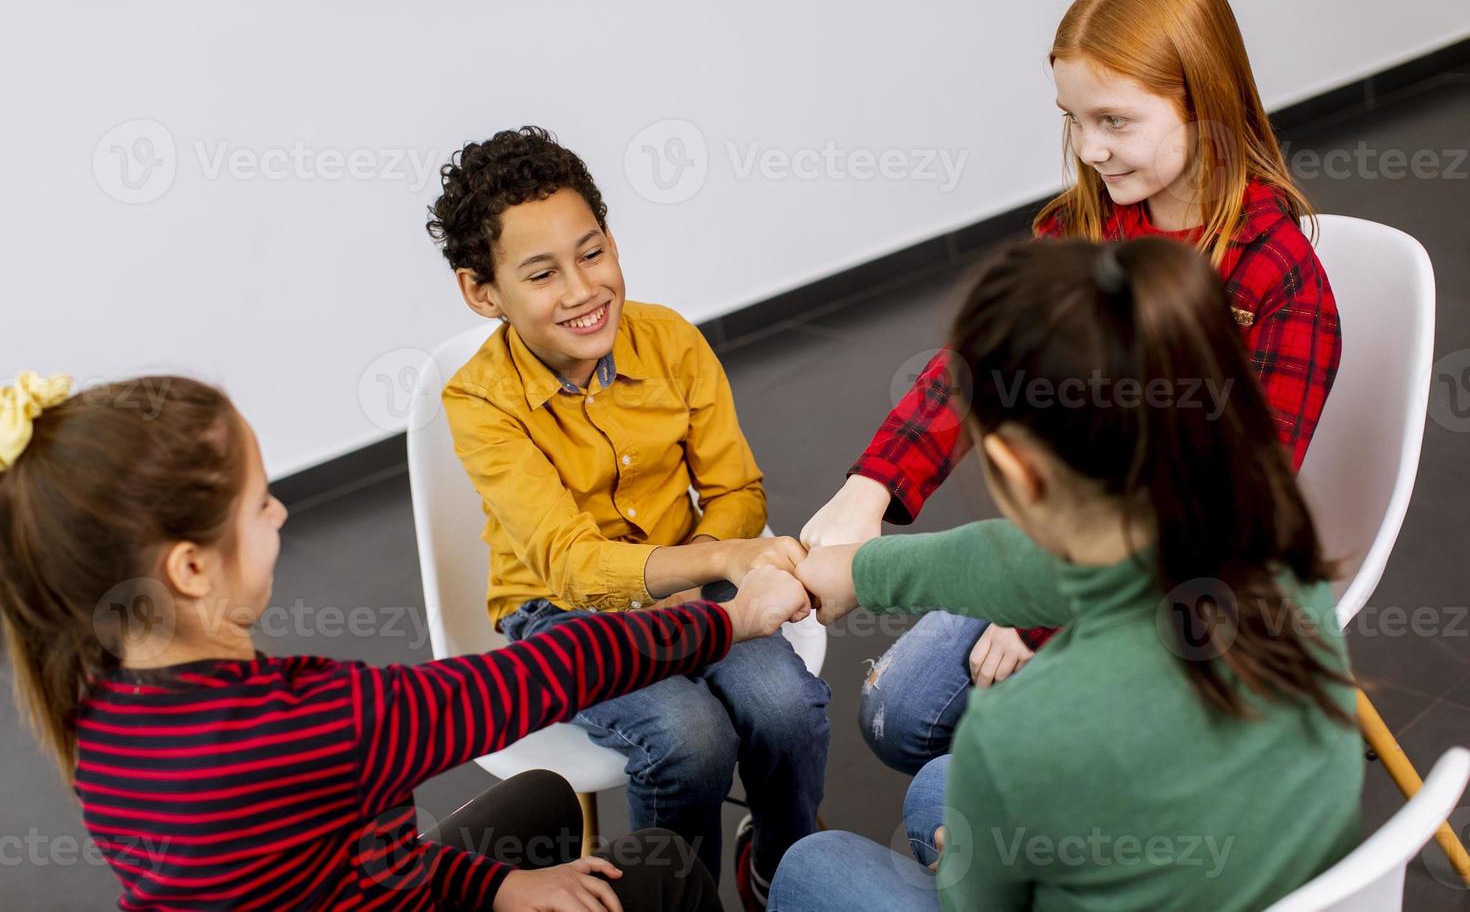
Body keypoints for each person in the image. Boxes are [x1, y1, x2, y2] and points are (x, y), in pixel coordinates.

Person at [801, 0, 1342, 777]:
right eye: (1072, 118)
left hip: (1178, 584)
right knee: (896, 713)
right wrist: (870, 484)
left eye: (1115, 121)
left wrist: (1037, 618)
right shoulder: (1083, 225)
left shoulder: (1280, 283)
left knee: (948, 780)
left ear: (1204, 103)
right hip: (1067, 547)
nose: (1088, 148)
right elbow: (973, 368)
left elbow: (1224, 522)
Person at [0, 371, 813, 910]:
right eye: (259, 505)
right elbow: (554, 670)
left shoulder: (95, 714)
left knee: (539, 801)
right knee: (661, 873)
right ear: (188, 567)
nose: (281, 514)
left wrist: (496, 890)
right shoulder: (321, 719)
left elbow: (344, 865)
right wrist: (732, 617)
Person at [773, 236, 1361, 910]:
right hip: (1284, 885)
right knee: (942, 786)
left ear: (1019, 471)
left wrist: (964, 865)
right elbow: (1028, 566)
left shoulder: (1018, 735)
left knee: (816, 866)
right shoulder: (1275, 554)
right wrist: (863, 569)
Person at [428, 126, 830, 907]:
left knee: (783, 705)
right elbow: (574, 564)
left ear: (611, 239)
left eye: (592, 251)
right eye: (541, 274)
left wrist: (708, 555)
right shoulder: (477, 399)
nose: (581, 290)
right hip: (560, 613)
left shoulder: (671, 340)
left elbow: (735, 490)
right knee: (689, 738)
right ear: (482, 292)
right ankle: (682, 897)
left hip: (695, 568)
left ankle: (786, 866)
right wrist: (712, 567)